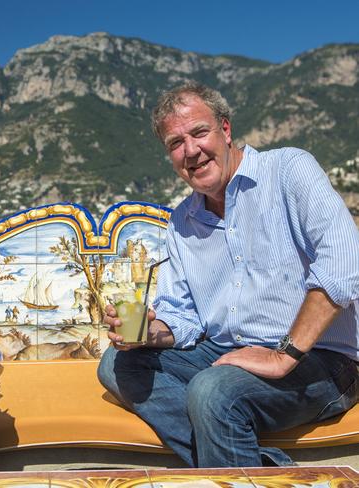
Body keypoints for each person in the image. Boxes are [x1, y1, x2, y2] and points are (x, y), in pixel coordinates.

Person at [98, 82, 359, 468]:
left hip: (322, 357)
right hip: (229, 352)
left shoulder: (288, 170)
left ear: (225, 129)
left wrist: (283, 355)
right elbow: (183, 317)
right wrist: (148, 333)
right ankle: (266, 470)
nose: (190, 150)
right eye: (175, 143)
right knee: (118, 365)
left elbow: (345, 263)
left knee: (213, 391)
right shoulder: (182, 222)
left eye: (199, 132)